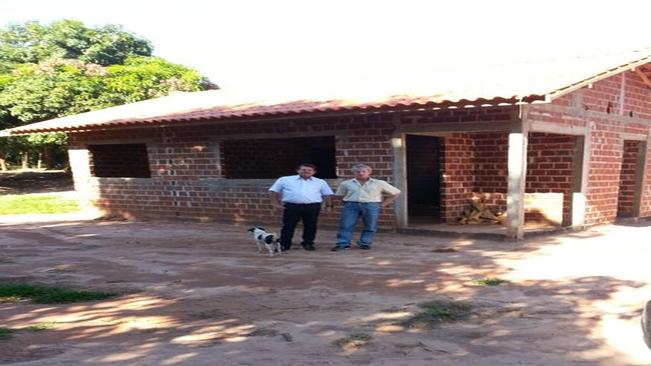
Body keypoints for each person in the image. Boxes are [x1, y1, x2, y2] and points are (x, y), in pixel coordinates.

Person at [332, 163, 401, 251]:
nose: (361, 173)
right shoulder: (346, 183)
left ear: (369, 172)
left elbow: (396, 192)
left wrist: (384, 204)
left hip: (371, 205)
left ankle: (365, 242)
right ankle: (343, 243)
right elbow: (340, 195)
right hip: (351, 205)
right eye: (357, 172)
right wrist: (347, 203)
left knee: (370, 226)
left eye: (363, 171)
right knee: (346, 225)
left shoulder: (379, 183)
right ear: (354, 173)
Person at [269, 163, 334, 251]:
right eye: (303, 170)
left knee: (310, 225)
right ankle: (284, 244)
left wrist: (329, 206)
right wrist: (275, 203)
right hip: (291, 206)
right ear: (298, 170)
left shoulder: (320, 182)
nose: (306, 171)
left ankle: (308, 243)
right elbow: (274, 191)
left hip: (312, 207)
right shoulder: (285, 179)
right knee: (288, 226)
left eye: (309, 170)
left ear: (314, 172)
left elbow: (327, 195)